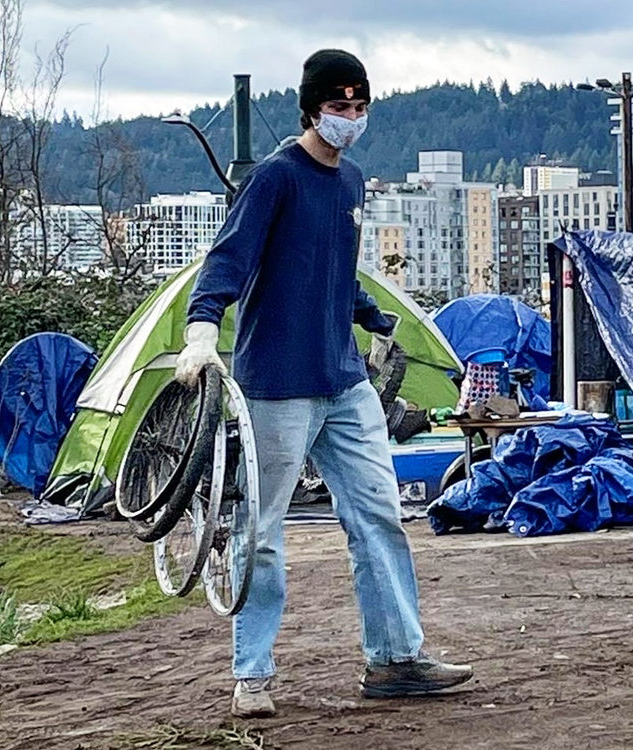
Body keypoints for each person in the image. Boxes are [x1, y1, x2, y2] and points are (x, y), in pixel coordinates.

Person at [174, 49, 472, 719]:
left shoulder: (350, 183)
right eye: (338, 107)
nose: (350, 118)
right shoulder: (276, 178)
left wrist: (373, 318)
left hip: (344, 382)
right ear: (311, 108)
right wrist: (201, 327)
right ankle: (251, 673)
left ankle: (395, 658)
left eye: (360, 106)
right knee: (263, 528)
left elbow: (335, 269)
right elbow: (229, 257)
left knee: (378, 516)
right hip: (278, 383)